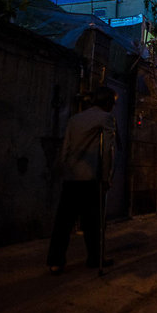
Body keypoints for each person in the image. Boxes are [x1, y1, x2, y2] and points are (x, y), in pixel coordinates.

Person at [47, 86, 117, 275]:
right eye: (113, 102)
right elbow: (107, 151)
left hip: (71, 177)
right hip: (91, 178)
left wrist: (64, 171)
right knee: (94, 223)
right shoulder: (106, 118)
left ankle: (55, 261)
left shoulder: (74, 119)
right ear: (108, 102)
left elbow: (66, 148)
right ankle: (95, 258)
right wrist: (106, 177)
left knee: (63, 222)